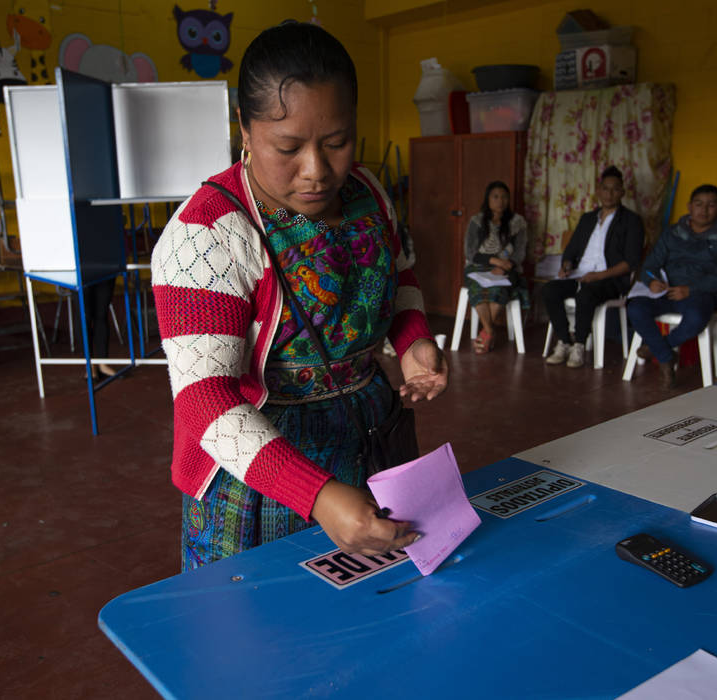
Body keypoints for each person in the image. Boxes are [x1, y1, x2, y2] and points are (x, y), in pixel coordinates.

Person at [150, 21, 448, 572]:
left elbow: (400, 275)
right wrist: (316, 494)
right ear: (244, 127)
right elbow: (204, 399)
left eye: (337, 142)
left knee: (376, 608)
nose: (317, 171)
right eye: (288, 147)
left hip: (372, 441)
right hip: (261, 469)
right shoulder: (207, 235)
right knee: (263, 630)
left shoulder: (367, 194)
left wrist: (413, 341)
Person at [626, 184, 717, 388]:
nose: (704, 210)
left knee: (696, 318)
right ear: (689, 206)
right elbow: (650, 265)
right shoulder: (673, 233)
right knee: (634, 307)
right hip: (666, 290)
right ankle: (666, 355)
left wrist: (691, 289)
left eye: (711, 205)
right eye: (699, 204)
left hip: (700, 295)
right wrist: (652, 281)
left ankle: (658, 350)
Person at [542, 165, 645, 368]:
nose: (609, 194)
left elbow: (631, 262)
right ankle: (564, 341)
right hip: (580, 275)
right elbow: (570, 252)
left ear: (622, 192)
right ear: (598, 191)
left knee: (586, 294)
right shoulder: (588, 218)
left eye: (615, 189)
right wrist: (566, 266)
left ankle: (579, 345)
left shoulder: (632, 221)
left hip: (610, 279)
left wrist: (598, 276)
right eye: (605, 189)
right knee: (550, 290)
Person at [462, 181, 528, 353]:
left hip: (506, 268)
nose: (500, 201)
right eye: (496, 196)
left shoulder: (518, 222)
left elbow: (520, 252)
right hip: (477, 267)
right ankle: (490, 331)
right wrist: (496, 261)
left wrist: (506, 267)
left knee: (497, 290)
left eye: (504, 197)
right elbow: (470, 253)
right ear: (488, 199)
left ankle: (485, 334)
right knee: (477, 291)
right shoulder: (476, 221)